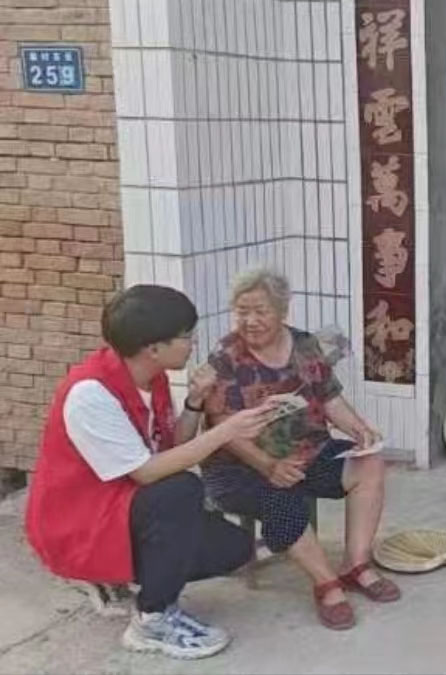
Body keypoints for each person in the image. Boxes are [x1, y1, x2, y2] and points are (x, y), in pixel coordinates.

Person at [25, 285, 278, 659]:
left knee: (232, 549)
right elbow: (147, 472)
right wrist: (225, 432)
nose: (193, 343)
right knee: (180, 491)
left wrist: (194, 402)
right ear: (153, 348)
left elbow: (170, 449)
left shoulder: (151, 375)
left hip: (125, 505)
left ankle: (120, 577)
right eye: (186, 336)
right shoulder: (90, 394)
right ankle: (151, 620)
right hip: (82, 522)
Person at [200, 268, 399, 631]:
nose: (250, 321)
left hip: (307, 451)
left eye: (260, 311)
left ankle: (355, 564)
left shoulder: (305, 345)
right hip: (241, 466)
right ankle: (326, 583)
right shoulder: (226, 355)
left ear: (282, 311)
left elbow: (330, 398)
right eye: (242, 312)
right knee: (282, 495)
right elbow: (221, 426)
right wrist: (268, 465)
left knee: (370, 463)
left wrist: (358, 428)